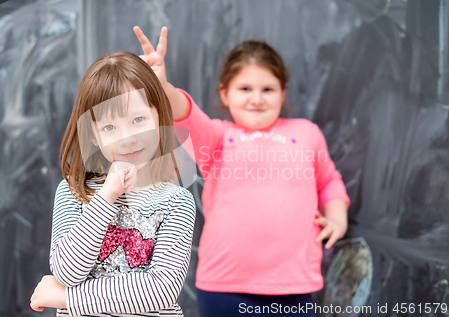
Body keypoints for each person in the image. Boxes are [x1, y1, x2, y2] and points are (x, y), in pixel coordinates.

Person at [133, 26, 350, 316]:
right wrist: (162, 87)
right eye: (245, 88)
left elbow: (329, 181)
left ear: (283, 92)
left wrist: (337, 217)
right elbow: (187, 115)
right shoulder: (218, 137)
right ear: (225, 93)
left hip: (293, 285)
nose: (257, 98)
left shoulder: (307, 133)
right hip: (224, 285)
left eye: (268, 89)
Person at [29, 51, 196, 316]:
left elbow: (161, 290)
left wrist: (67, 298)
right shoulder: (73, 192)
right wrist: (106, 196)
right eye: (109, 128)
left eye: (138, 120)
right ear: (94, 136)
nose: (127, 138)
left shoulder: (177, 202)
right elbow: (67, 272)